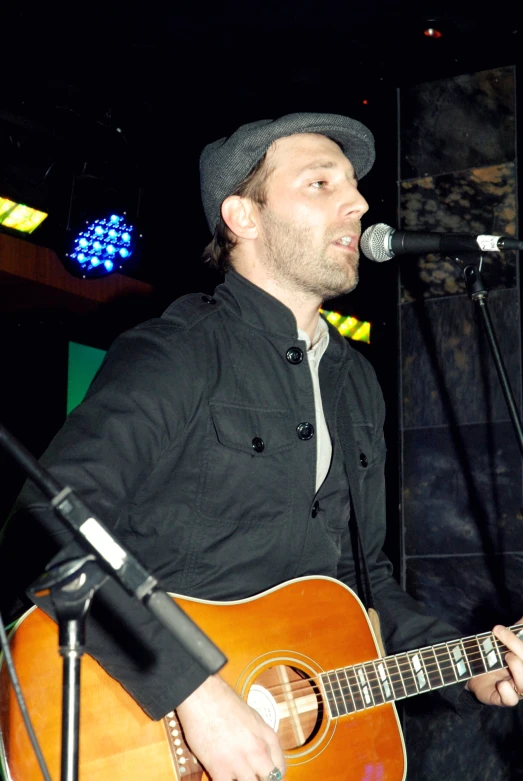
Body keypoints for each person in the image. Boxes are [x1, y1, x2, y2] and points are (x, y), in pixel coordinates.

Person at [2, 112, 523, 781]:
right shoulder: (177, 353)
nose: (358, 201)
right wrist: (191, 691)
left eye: (354, 184)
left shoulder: (354, 383)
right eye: (319, 182)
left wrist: (473, 666)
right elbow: (44, 532)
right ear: (243, 217)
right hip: (136, 727)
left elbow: (365, 588)